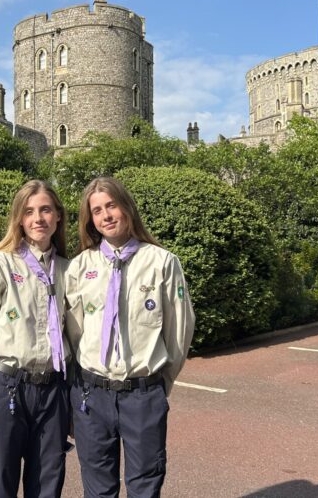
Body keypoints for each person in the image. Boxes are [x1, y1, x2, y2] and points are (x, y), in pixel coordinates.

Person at [65, 177, 195, 498]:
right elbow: (72, 333)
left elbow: (179, 331)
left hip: (142, 393)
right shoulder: (81, 266)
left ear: (127, 208)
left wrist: (159, 383)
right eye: (97, 210)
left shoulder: (163, 262)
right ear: (90, 220)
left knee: (145, 486)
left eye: (112, 205)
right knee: (97, 490)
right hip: (91, 396)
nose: (106, 215)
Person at [0, 179, 71, 498]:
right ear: (20, 219)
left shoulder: (70, 270)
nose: (38, 218)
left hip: (53, 392)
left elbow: (76, 340)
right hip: (8, 388)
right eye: (29, 211)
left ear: (58, 217)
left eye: (46, 210)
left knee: (48, 485)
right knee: (0, 484)